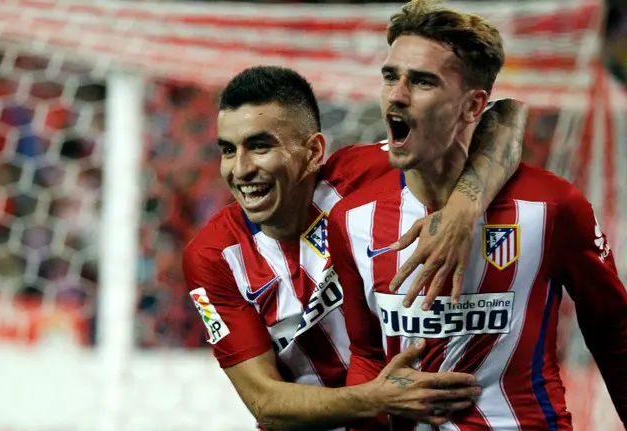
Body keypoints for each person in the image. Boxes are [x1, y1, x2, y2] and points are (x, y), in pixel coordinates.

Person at [327, 1, 627, 429]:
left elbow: (614, 333)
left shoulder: (551, 206)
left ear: (472, 107)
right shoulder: (352, 218)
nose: (397, 94)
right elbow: (368, 355)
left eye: (423, 81)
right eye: (391, 76)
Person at [183, 64, 526, 431]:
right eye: (228, 150)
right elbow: (266, 403)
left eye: (260, 147)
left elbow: (506, 118)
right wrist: (378, 396)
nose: (241, 169)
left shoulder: (366, 173)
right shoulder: (214, 256)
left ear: (314, 152)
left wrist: (460, 210)